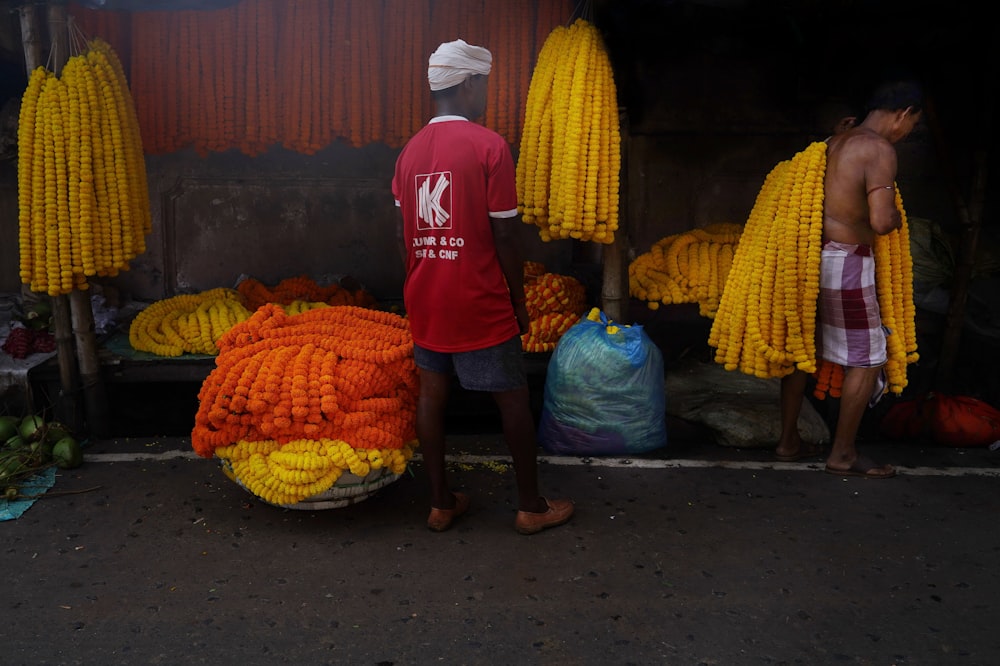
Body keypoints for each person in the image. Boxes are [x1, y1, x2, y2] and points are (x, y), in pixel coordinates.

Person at [391, 39, 574, 534]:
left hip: (425, 295)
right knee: (512, 399)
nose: (487, 96)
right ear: (469, 84)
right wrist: (518, 299)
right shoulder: (489, 145)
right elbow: (506, 233)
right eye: (486, 86)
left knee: (432, 397)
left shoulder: (408, 154)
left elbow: (407, 234)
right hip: (478, 297)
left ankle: (440, 502)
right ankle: (531, 507)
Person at [776, 81, 923, 478]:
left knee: (805, 350)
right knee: (869, 356)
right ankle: (842, 454)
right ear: (904, 114)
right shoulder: (878, 149)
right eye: (913, 124)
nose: (908, 133)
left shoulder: (835, 142)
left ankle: (788, 440)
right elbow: (879, 220)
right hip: (848, 264)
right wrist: (896, 215)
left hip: (814, 258)